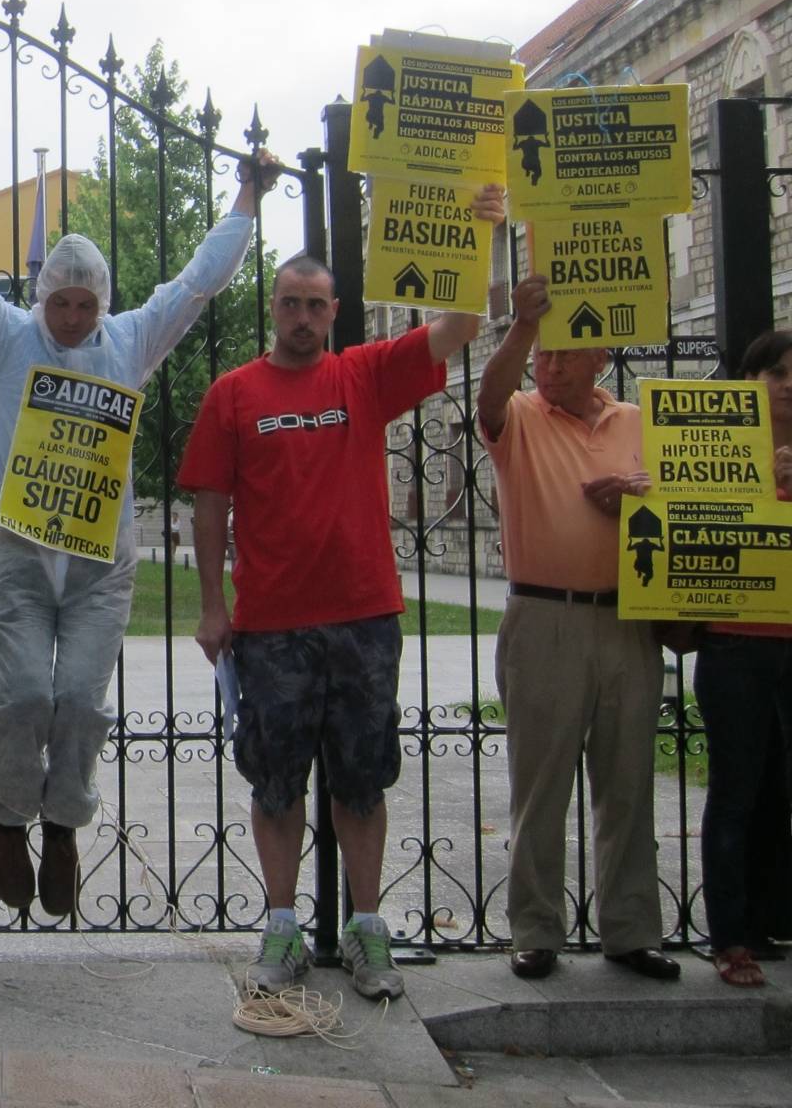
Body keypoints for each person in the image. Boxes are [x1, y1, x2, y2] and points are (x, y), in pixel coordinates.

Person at [0, 125, 278, 920]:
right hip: (19, 557)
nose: (73, 315)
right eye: (61, 301)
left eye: (86, 304)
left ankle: (62, 827)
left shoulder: (129, 342)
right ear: (41, 297)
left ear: (104, 302)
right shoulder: (7, 336)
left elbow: (195, 287)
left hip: (100, 566)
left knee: (83, 704)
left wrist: (248, 200)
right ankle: (8, 816)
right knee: (21, 694)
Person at [178, 208, 503, 1003]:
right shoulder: (234, 394)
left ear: (333, 313)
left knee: (362, 781)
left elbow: (460, 325)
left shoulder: (363, 375)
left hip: (363, 618)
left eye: (316, 304)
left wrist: (483, 232)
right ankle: (282, 930)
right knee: (276, 784)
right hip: (272, 627)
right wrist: (212, 605)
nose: (301, 316)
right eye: (289, 302)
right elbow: (211, 506)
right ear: (274, 309)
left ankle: (366, 933)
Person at [475, 271, 676, 984]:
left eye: (564, 354)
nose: (549, 367)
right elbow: (488, 399)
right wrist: (524, 325)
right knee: (541, 784)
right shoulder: (522, 415)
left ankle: (631, 930)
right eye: (542, 357)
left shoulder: (639, 424)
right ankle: (537, 930)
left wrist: (643, 497)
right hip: (545, 617)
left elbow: (689, 500)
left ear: (602, 356)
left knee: (627, 782)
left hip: (627, 621)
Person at [694, 327, 792, 987]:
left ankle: (769, 918)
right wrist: (764, 482)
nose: (787, 385)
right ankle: (731, 937)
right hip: (734, 640)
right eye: (776, 373)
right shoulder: (718, 448)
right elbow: (695, 523)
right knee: (736, 790)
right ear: (751, 381)